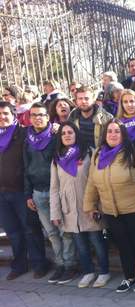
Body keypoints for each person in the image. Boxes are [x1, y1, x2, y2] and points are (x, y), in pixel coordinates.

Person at [84, 118, 135, 293]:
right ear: (104, 134)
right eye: (109, 131)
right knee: (123, 246)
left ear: (123, 134)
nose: (113, 134)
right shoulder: (98, 155)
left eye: (117, 131)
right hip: (111, 211)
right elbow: (91, 183)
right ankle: (129, 278)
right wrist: (89, 205)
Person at [50, 122, 110, 288]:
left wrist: (97, 206)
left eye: (70, 132)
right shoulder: (57, 158)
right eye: (63, 133)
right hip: (70, 209)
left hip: (90, 207)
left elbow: (97, 181)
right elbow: (54, 188)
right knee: (81, 245)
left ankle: (104, 272)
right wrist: (55, 213)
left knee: (97, 242)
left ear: (76, 134)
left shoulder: (89, 152)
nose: (67, 135)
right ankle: (88, 272)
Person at [24, 103, 78, 284]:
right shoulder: (27, 139)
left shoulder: (56, 135)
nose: (37, 118)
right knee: (51, 233)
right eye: (34, 115)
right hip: (38, 192)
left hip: (58, 191)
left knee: (65, 231)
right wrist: (28, 194)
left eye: (41, 114)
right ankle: (60, 264)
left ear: (48, 117)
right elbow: (26, 167)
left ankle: (70, 264)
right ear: (29, 118)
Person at [0, 101, 49, 280]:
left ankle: (39, 264)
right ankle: (19, 265)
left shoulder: (23, 134)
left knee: (30, 229)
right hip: (2, 194)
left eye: (5, 113)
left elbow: (43, 133)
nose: (2, 117)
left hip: (21, 191)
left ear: (14, 114)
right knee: (12, 231)